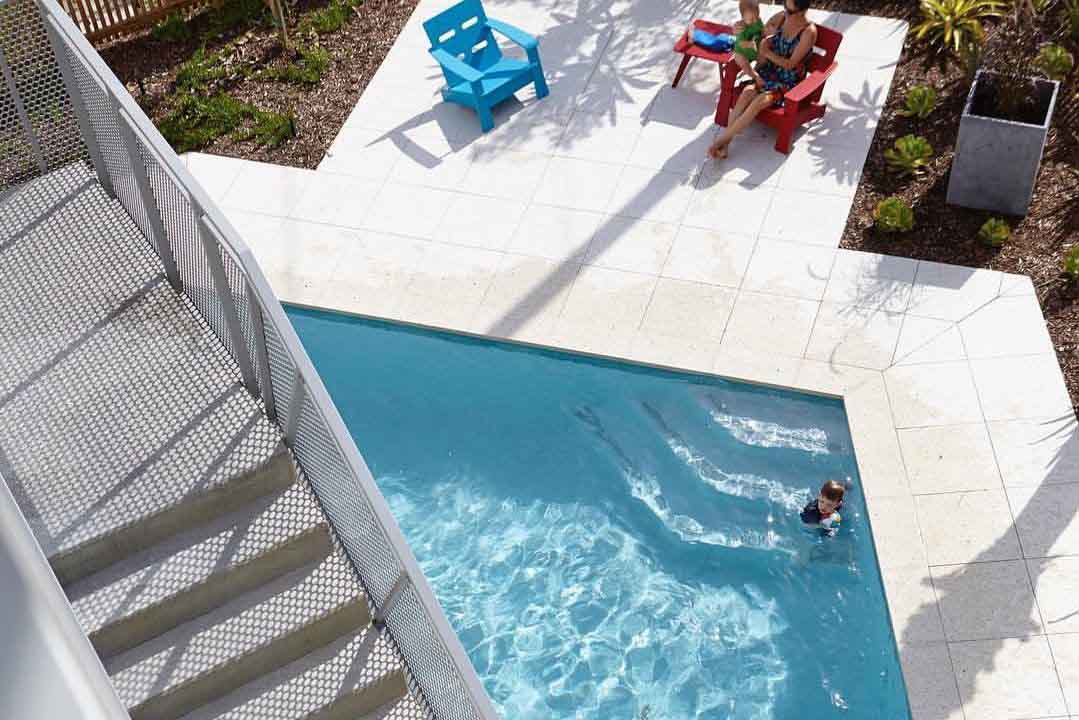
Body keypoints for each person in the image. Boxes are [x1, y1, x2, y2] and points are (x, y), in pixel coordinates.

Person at [708, 0, 818, 160]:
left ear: (802, 11)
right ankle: (725, 145)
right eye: (784, 6)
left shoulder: (809, 32)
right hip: (768, 71)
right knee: (746, 94)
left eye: (790, 10)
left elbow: (790, 65)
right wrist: (740, 28)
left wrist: (767, 53)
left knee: (759, 101)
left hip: (787, 81)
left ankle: (720, 141)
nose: (785, 12)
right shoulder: (781, 17)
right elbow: (757, 33)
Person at [685, 1, 765, 87]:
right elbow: (741, 44)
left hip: (743, 45)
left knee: (725, 39)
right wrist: (750, 44)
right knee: (715, 44)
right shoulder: (742, 28)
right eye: (751, 19)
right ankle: (694, 34)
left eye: (757, 16)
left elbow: (761, 31)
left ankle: (721, 37)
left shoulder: (758, 21)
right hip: (740, 49)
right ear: (743, 18)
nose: (755, 21)